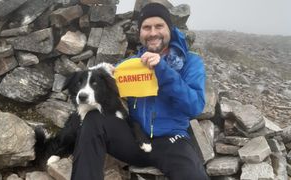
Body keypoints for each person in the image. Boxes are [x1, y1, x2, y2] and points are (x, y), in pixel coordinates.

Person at [71, 3, 209, 180]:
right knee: (93, 120)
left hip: (172, 141)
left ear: (170, 29)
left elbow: (195, 106)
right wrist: (105, 76)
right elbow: (104, 94)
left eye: (159, 26)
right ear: (140, 33)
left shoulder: (191, 62)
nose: (152, 33)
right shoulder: (131, 65)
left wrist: (162, 70)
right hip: (134, 138)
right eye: (146, 27)